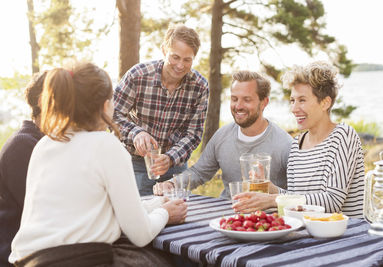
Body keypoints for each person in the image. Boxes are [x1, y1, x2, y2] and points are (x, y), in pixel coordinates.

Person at [9, 63, 187, 266]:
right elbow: (141, 234)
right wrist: (165, 213)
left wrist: (155, 204)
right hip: (77, 261)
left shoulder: (45, 144)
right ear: (105, 105)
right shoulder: (106, 145)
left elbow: (89, 210)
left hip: (26, 261)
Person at [234, 61, 365, 218]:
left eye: (302, 100)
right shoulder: (297, 144)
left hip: (347, 236)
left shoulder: (343, 136)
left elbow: (333, 201)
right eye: (292, 100)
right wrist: (271, 188)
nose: (294, 109)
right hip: (310, 233)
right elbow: (295, 199)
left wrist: (272, 199)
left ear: (325, 103)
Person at [154, 70, 293, 199]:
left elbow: (297, 196)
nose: (238, 106)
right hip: (225, 215)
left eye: (247, 99)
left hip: (267, 220)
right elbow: (199, 172)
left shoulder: (285, 144)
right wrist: (172, 184)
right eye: (234, 99)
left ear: (264, 103)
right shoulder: (222, 135)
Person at [113, 24, 209, 196]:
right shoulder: (138, 75)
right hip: (135, 165)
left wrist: (170, 158)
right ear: (165, 50)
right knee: (136, 219)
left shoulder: (200, 87)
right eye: (175, 57)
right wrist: (136, 133)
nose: (180, 65)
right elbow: (113, 114)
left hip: (174, 169)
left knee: (178, 219)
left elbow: (194, 134)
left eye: (187, 60)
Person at [0, 72, 46, 266]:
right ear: (45, 102)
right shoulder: (23, 145)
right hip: (15, 253)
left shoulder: (43, 142)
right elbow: (40, 209)